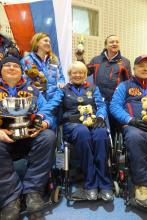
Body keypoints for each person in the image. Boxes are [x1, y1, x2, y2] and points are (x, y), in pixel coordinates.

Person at [39, 61, 113, 201]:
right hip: (73, 126)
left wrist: (100, 117)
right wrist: (40, 115)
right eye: (75, 72)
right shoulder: (63, 90)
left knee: (102, 134)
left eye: (81, 72)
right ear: (69, 75)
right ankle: (90, 184)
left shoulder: (93, 88)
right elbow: (52, 104)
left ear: (85, 75)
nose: (78, 75)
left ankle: (105, 185)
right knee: (83, 132)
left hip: (92, 122)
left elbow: (101, 105)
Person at [0, 56, 56, 220]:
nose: (11, 68)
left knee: (48, 137)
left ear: (21, 71)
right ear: (1, 70)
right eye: (7, 65)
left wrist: (44, 123)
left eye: (15, 66)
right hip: (4, 138)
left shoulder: (33, 90)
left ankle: (33, 192)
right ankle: (10, 199)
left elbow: (47, 112)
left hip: (30, 136)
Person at [110, 55, 147, 210]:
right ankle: (142, 186)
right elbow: (114, 106)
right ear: (134, 69)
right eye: (141, 65)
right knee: (135, 138)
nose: (145, 68)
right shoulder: (124, 86)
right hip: (135, 126)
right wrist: (130, 120)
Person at [85, 35, 131, 138]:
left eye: (117, 42)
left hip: (116, 100)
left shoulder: (125, 62)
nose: (114, 44)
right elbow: (84, 72)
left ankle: (114, 150)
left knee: (115, 126)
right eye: (111, 42)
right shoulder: (96, 60)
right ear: (106, 45)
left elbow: (129, 82)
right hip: (98, 99)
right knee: (99, 125)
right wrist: (80, 58)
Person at [21, 32, 65, 101]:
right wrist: (31, 86)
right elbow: (22, 80)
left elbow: (61, 77)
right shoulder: (26, 60)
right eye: (45, 41)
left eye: (49, 42)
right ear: (37, 43)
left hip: (54, 99)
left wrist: (61, 82)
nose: (48, 43)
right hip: (36, 98)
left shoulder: (54, 60)